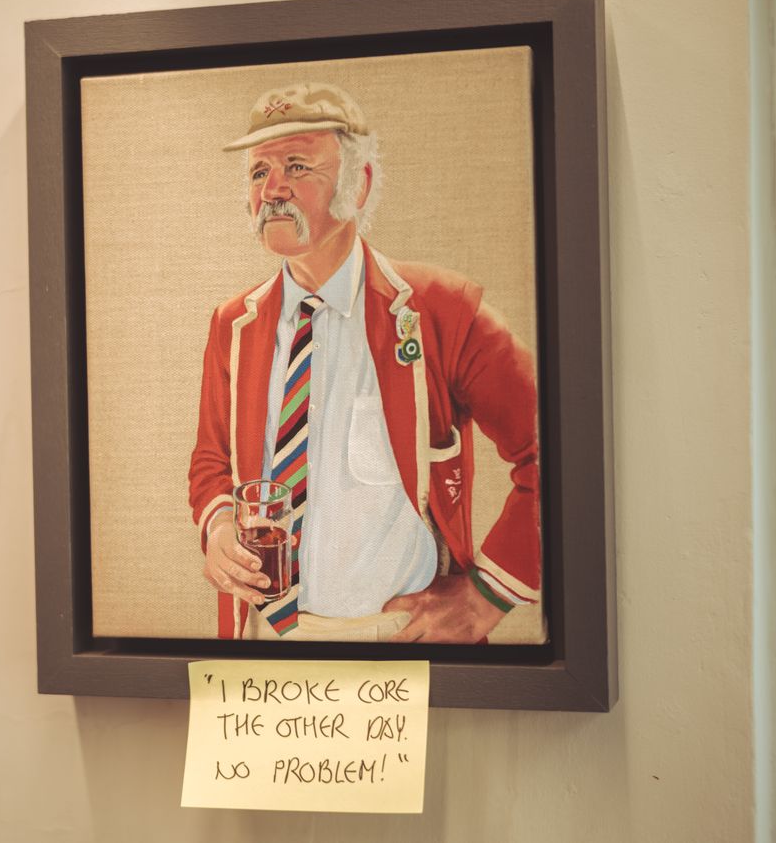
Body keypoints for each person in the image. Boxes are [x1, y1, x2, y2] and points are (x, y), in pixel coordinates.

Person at [188, 83, 541, 643]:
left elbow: (561, 449)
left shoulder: (443, 311)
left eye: (297, 166)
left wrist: (491, 594)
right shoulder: (234, 323)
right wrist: (219, 525)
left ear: (360, 184)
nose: (272, 189)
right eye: (259, 173)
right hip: (262, 639)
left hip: (395, 642)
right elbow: (213, 458)